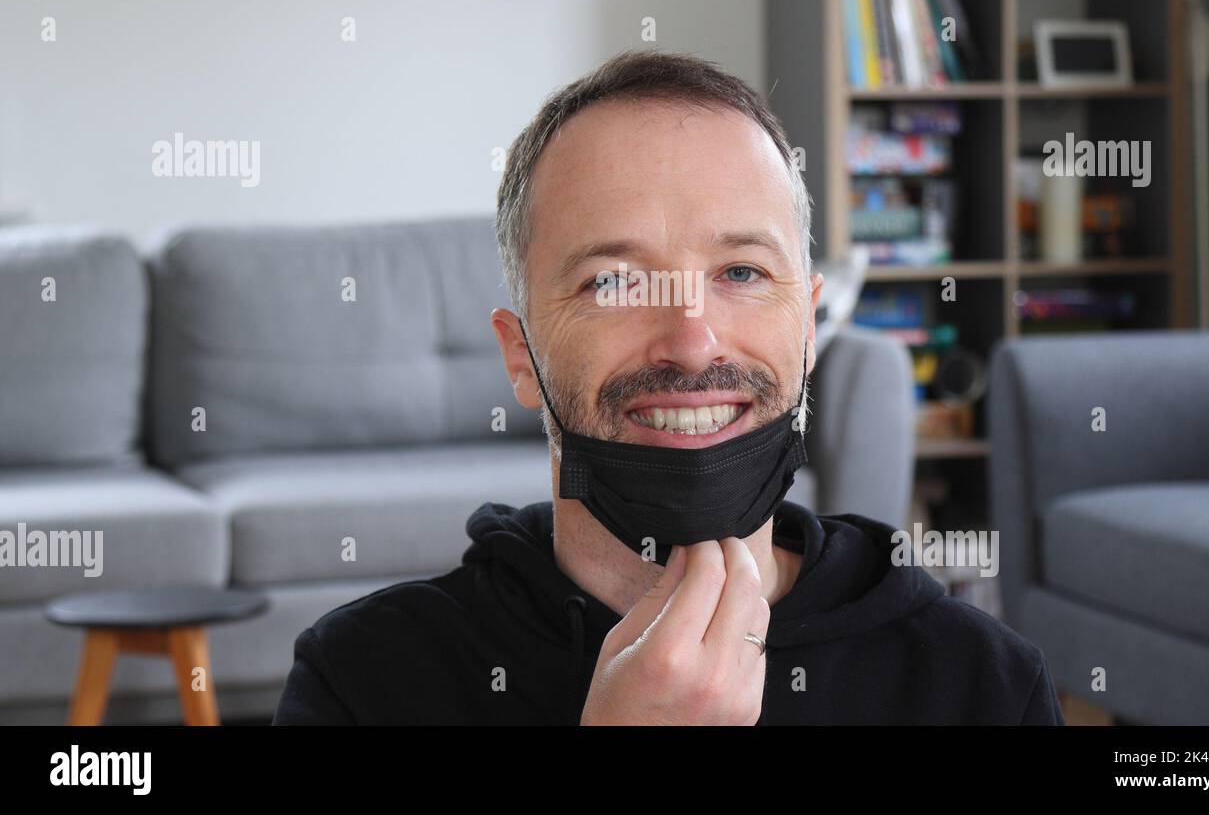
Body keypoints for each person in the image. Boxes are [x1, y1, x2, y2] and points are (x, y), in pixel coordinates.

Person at [273, 50, 1064, 725]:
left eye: (743, 273)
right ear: (520, 357)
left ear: (809, 328)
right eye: (614, 282)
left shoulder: (982, 685)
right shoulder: (363, 681)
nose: (692, 344)